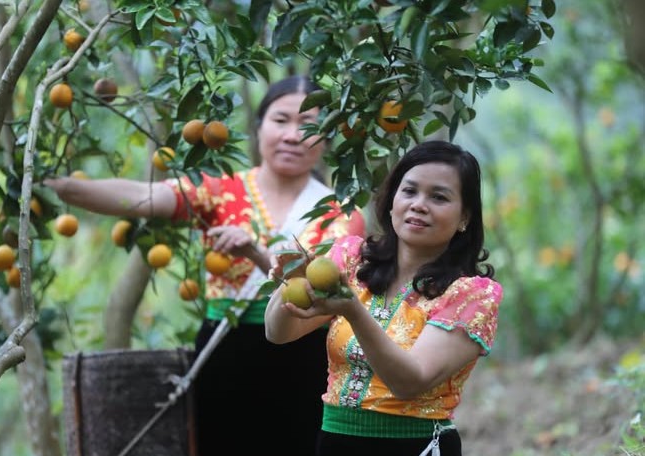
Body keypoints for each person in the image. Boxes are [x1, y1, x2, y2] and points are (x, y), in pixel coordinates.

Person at [44, 75, 365, 456]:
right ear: (259, 126)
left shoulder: (341, 212)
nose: (293, 135)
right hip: (226, 350)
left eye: (308, 125)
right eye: (281, 120)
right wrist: (62, 188)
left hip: (306, 353)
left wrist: (256, 254)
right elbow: (146, 198)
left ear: (326, 139)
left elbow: (320, 293)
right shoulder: (219, 189)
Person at [265, 140, 502, 456]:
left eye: (439, 197)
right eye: (409, 191)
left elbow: (409, 382)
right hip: (335, 443)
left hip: (414, 447)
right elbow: (278, 333)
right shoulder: (351, 259)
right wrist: (293, 277)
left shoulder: (472, 295)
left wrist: (353, 311)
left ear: (464, 218)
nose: (419, 204)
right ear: (392, 201)